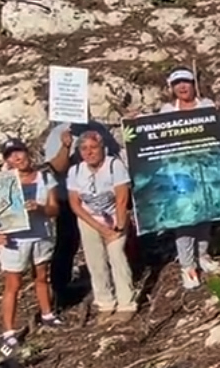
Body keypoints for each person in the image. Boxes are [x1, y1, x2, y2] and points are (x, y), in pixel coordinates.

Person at [43, 118, 123, 306]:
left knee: (109, 242)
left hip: (102, 199)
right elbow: (56, 169)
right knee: (67, 244)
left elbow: (113, 156)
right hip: (69, 198)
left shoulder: (98, 127)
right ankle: (60, 290)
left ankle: (113, 284)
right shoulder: (58, 132)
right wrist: (65, 146)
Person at [155, 68, 220, 289]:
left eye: (186, 82)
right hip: (179, 171)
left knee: (205, 214)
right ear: (172, 88)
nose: (182, 87)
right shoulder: (166, 111)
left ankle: (202, 254)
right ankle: (187, 265)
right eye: (177, 84)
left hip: (206, 169)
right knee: (183, 217)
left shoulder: (207, 107)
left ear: (194, 84)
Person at [0, 138, 62, 358]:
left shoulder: (45, 177)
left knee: (42, 276)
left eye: (20, 152)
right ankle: (8, 330)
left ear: (27, 153)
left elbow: (54, 210)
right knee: (13, 283)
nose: (17, 158)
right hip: (15, 240)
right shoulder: (1, 182)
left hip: (40, 235)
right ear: (7, 160)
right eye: (11, 155)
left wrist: (40, 207)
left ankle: (47, 314)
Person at [67, 130, 137, 324]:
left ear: (102, 148)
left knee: (116, 256)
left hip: (115, 217)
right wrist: (99, 228)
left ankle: (126, 303)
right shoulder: (76, 171)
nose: (89, 152)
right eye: (84, 149)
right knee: (95, 260)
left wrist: (117, 227)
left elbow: (122, 197)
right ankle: (105, 302)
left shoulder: (115, 166)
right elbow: (75, 203)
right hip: (89, 219)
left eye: (93, 147)